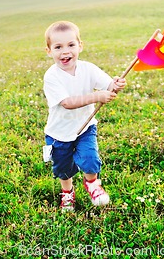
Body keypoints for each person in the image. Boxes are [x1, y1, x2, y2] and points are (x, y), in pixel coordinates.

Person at [43, 20, 126, 211]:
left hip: (85, 127)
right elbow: (67, 103)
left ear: (80, 46)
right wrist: (96, 96)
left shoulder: (88, 68)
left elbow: (108, 87)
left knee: (90, 158)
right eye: (58, 47)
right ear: (49, 51)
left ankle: (92, 184)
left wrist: (116, 84)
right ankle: (67, 193)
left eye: (71, 45)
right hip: (59, 133)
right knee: (63, 169)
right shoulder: (52, 76)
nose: (65, 52)